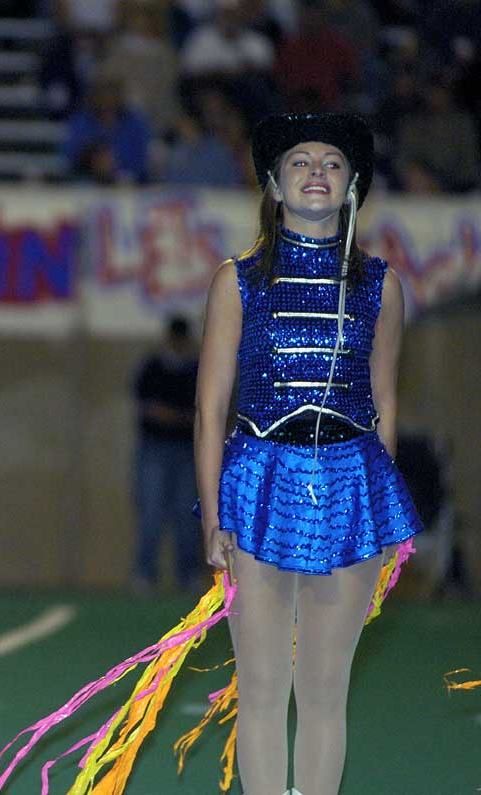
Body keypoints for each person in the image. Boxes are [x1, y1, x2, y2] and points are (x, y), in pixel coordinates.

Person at [195, 112, 422, 795]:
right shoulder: (237, 280)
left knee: (325, 688)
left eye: (332, 163)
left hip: (351, 488)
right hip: (259, 483)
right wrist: (214, 515)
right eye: (300, 161)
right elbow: (209, 409)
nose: (316, 172)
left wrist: (381, 511)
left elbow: (383, 401)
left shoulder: (381, 285)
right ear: (273, 183)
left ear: (352, 186)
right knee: (263, 685)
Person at [131, 314, 201, 593]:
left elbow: (202, 411)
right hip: (154, 450)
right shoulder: (152, 367)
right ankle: (144, 574)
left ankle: (188, 575)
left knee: (187, 517)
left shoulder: (196, 369)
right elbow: (148, 408)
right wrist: (177, 417)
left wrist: (174, 417)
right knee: (151, 514)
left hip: (186, 451)